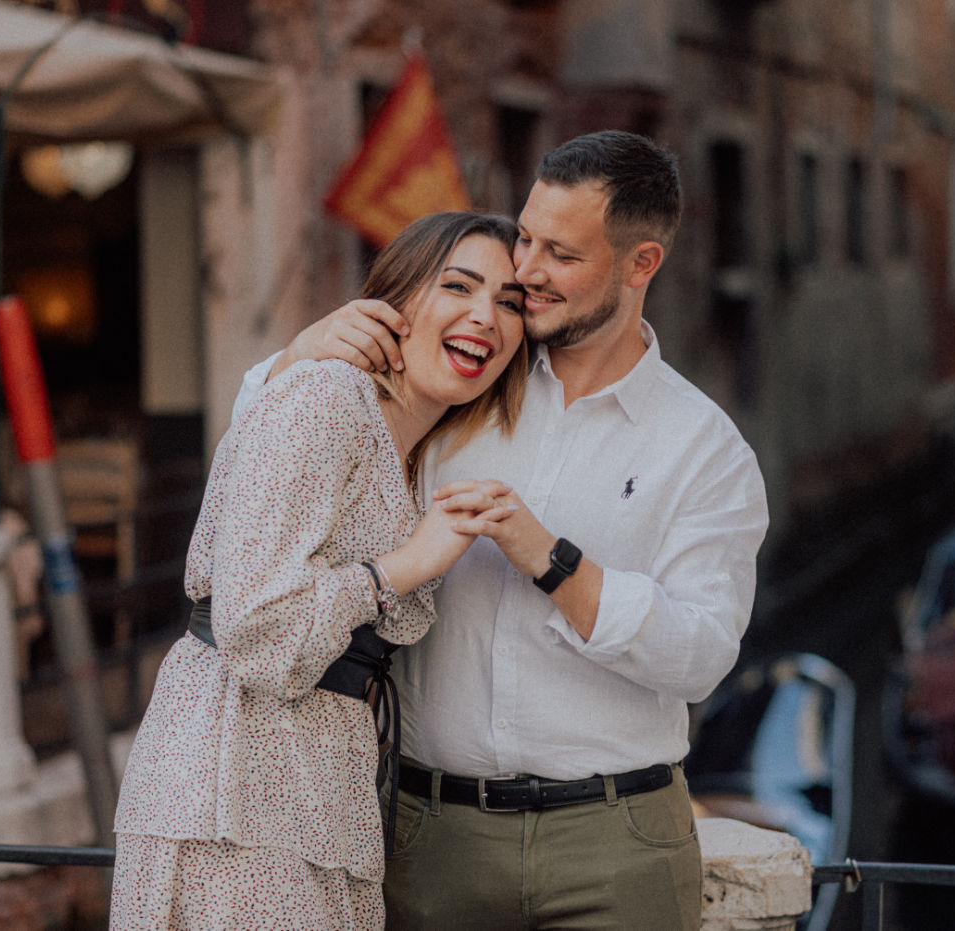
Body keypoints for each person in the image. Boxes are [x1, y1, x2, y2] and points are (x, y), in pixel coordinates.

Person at [234, 130, 769, 930]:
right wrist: (296, 358)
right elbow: (269, 468)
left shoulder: (706, 447)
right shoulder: (465, 379)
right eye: (526, 235)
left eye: (561, 253)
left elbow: (700, 657)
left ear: (640, 264)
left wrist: (552, 562)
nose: (525, 269)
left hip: (617, 840)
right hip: (431, 828)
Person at [109, 211, 530, 931]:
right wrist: (400, 567)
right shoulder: (324, 398)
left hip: (315, 788)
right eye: (458, 286)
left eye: (511, 302)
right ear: (394, 302)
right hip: (234, 787)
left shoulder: (408, 449)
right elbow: (256, 628)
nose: (485, 316)